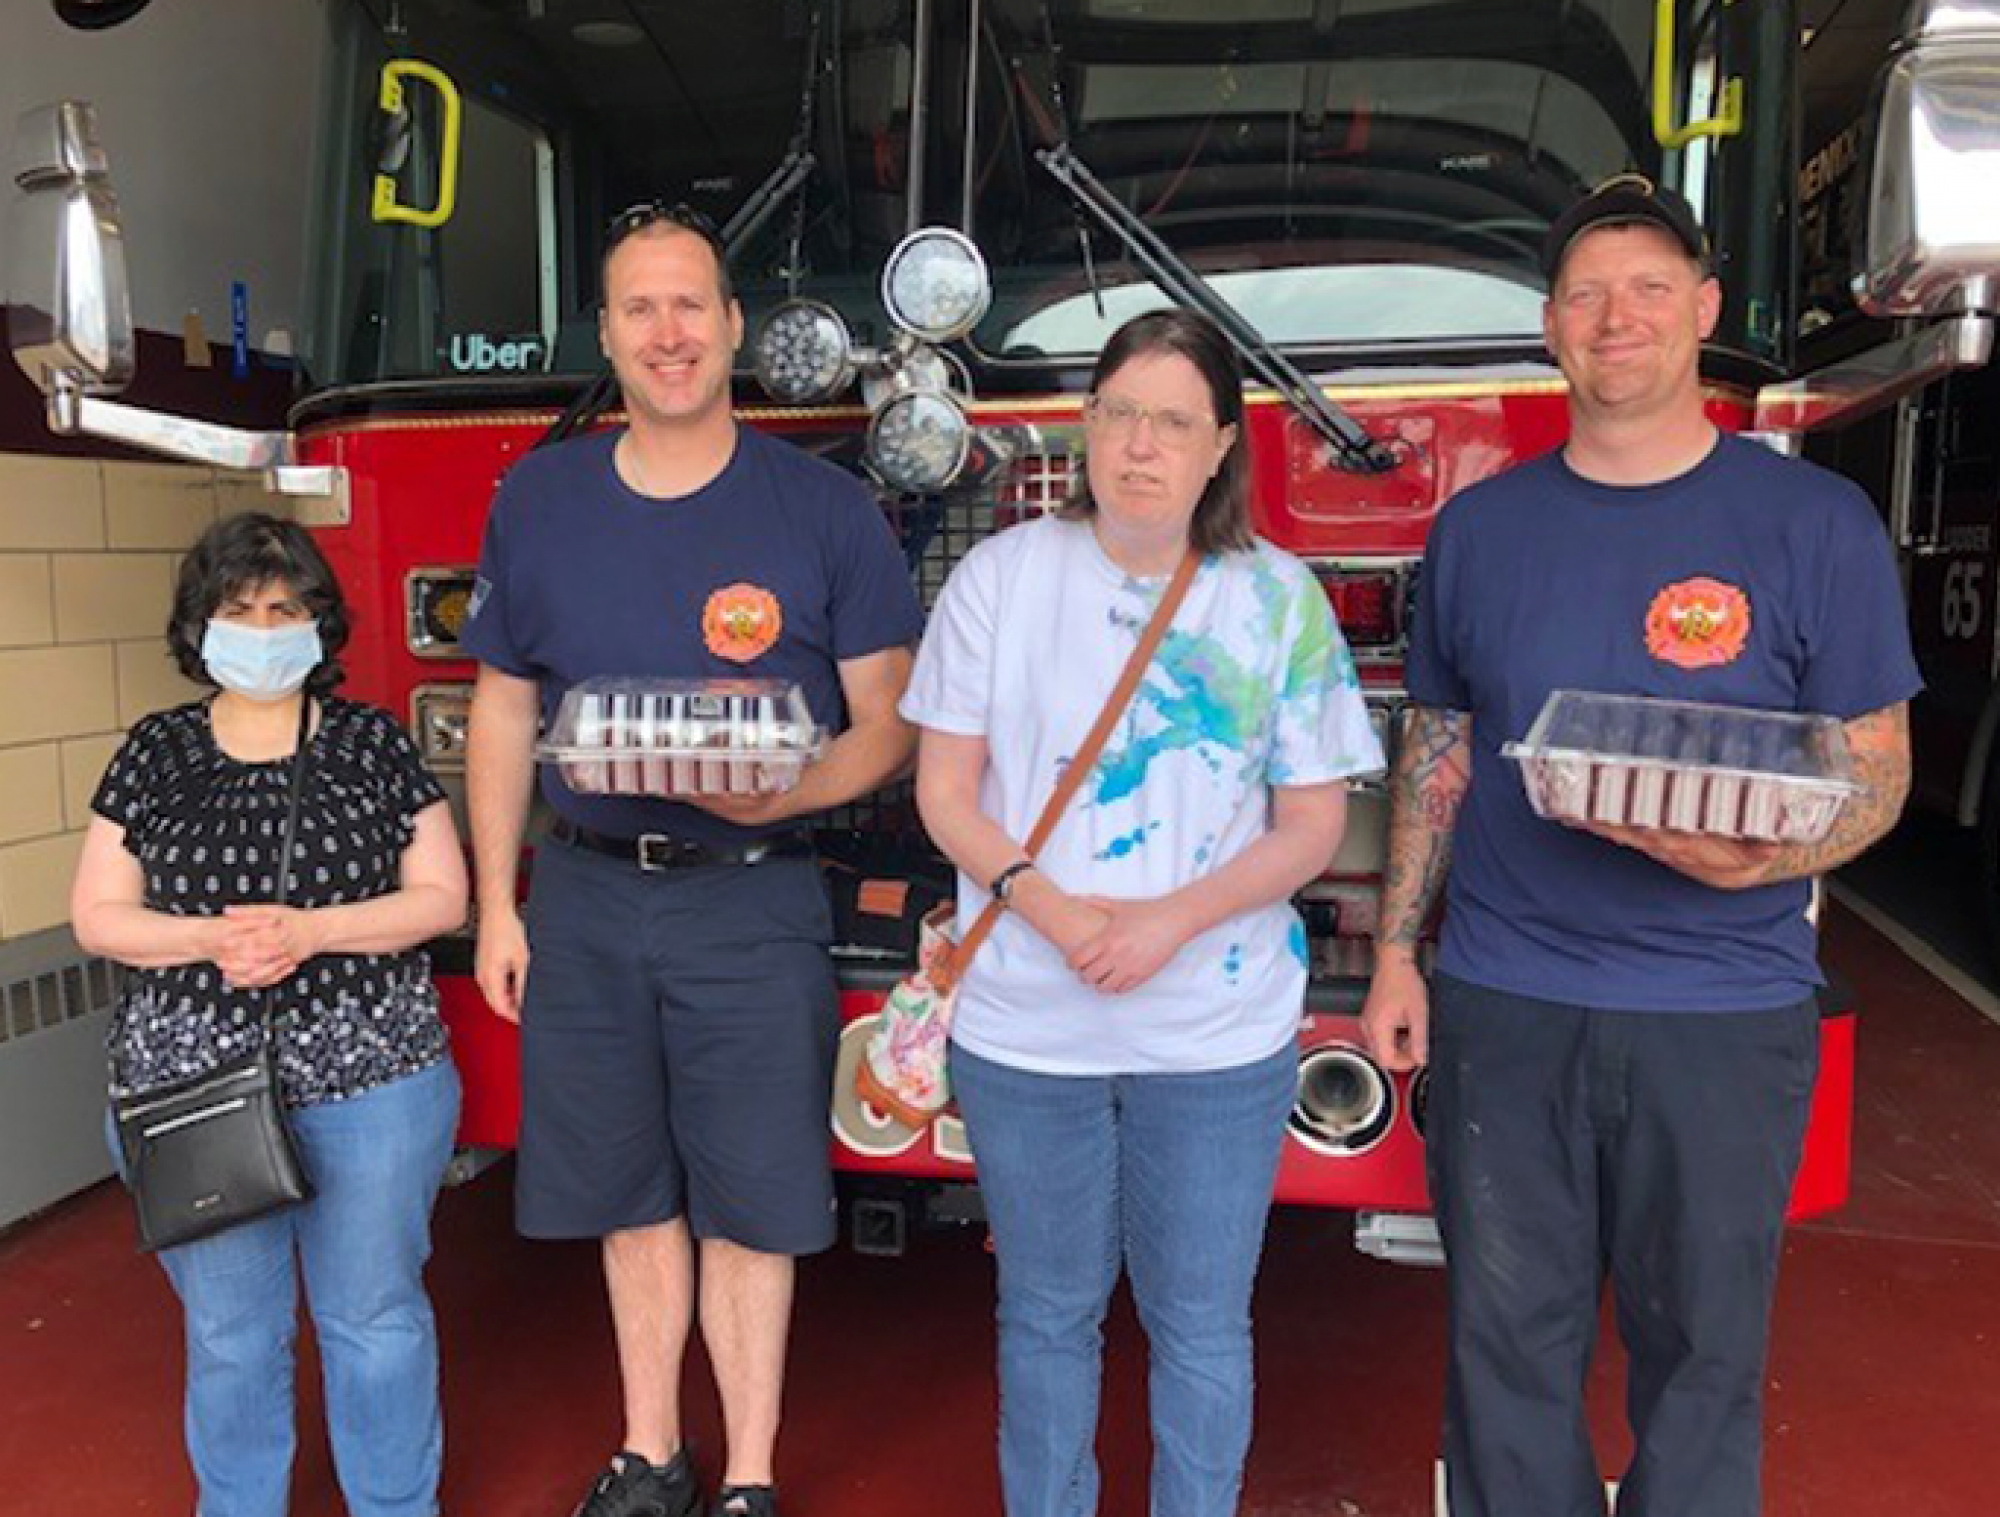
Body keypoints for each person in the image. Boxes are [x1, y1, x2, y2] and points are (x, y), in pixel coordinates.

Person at [1360, 174, 1919, 1517]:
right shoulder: (1482, 529)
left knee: (1705, 1360)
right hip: (1509, 1002)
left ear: (1704, 312)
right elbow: (1438, 752)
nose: (1620, 319)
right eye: (1589, 295)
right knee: (1505, 1354)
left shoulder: (1811, 525)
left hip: (1723, 1014)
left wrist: (1762, 858)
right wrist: (1394, 953)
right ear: (1553, 326)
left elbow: (1879, 770)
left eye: (1650, 289)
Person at [461, 201, 922, 1517]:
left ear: (733, 328)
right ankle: (652, 1451)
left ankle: (752, 1478)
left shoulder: (823, 508)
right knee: (625, 1187)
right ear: (605, 334)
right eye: (639, 308)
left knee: (755, 1195)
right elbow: (503, 707)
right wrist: (501, 904)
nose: (669, 333)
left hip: (754, 894)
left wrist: (780, 780)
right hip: (590, 891)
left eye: (691, 306)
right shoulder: (540, 500)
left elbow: (885, 723)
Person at [902, 307, 1384, 1517]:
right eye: (1118, 414)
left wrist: (1169, 918)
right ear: (1085, 428)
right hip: (1024, 1026)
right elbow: (943, 793)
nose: (1139, 447)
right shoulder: (999, 580)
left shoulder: (1276, 601)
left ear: (1220, 444)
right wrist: (1049, 908)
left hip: (1214, 1034)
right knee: (1046, 1316)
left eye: (1172, 422)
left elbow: (1311, 824)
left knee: (1200, 1323)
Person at [70, 512, 468, 1517]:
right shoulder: (155, 752)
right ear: (198, 625)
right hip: (194, 1089)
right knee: (230, 1332)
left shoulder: (372, 744)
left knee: (374, 1317)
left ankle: (395, 1504)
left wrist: (312, 930)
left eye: (283, 607)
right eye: (236, 609)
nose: (260, 628)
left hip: (372, 1077)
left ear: (319, 622)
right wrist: (213, 937)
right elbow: (99, 915)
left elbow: (440, 899)